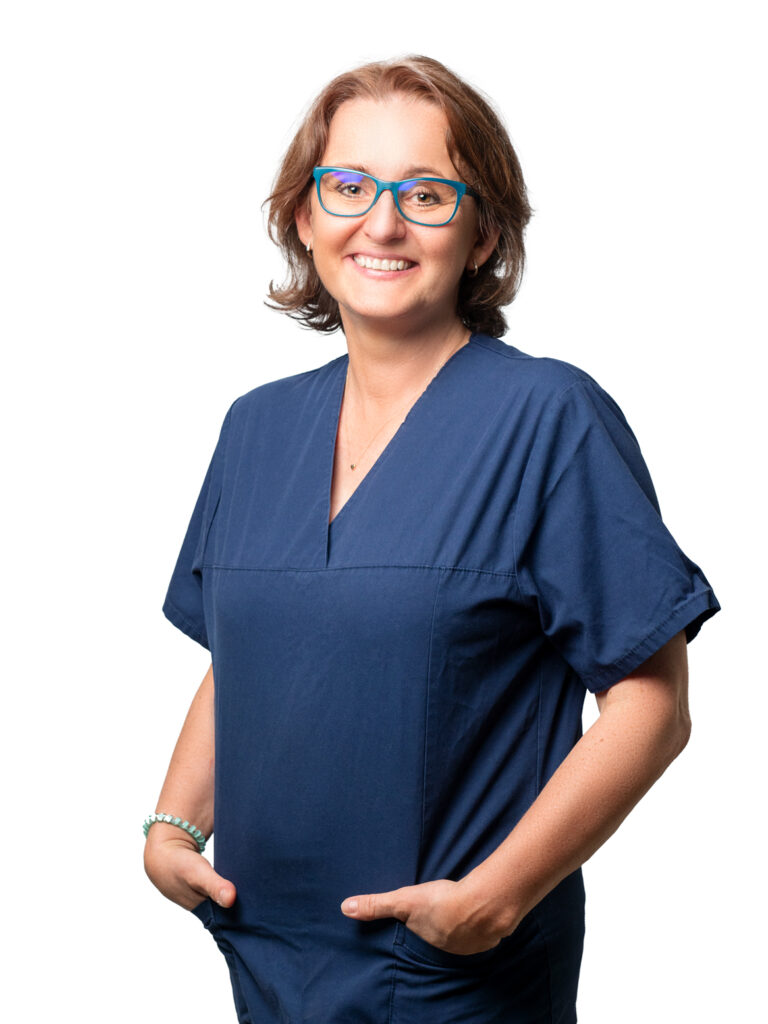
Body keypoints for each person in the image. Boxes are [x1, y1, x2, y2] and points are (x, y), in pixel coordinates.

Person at [143, 55, 720, 1023]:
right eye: (348, 186)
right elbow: (247, 657)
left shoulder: (548, 418)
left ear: (483, 232)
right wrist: (170, 825)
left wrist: (496, 898)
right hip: (271, 961)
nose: (382, 223)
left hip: (455, 978)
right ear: (304, 215)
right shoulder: (256, 428)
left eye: (426, 194)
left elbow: (653, 703)